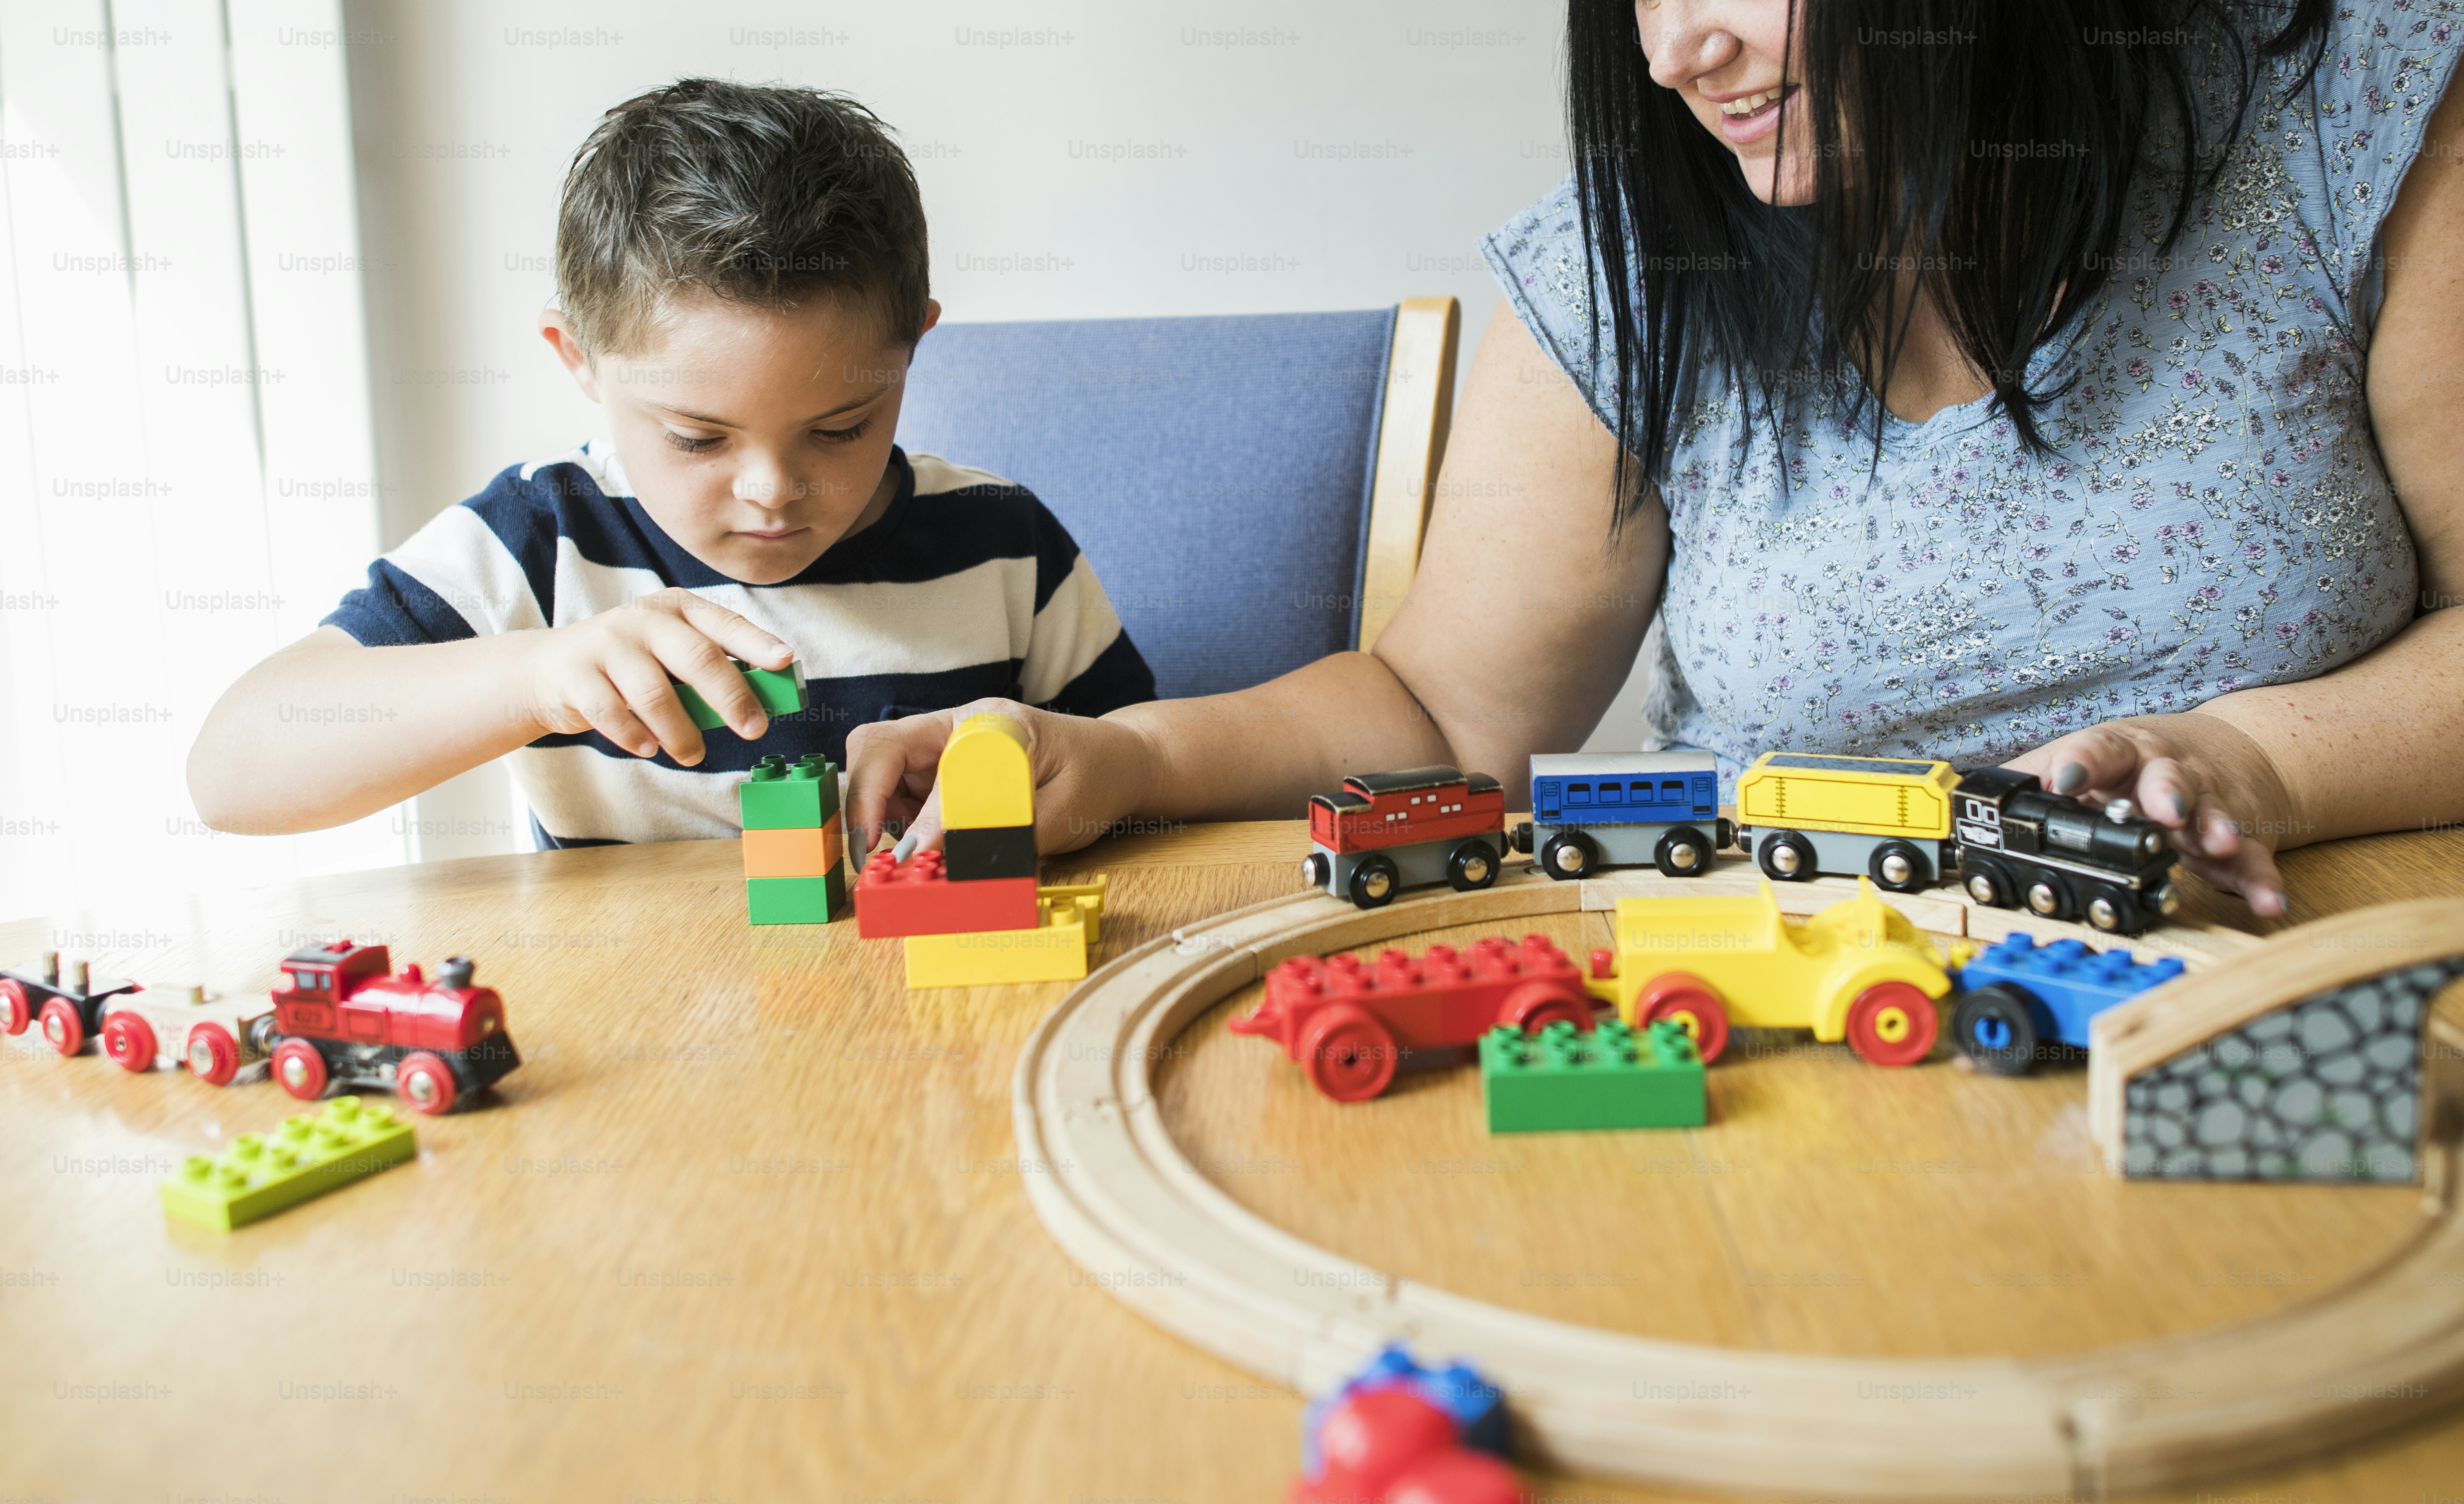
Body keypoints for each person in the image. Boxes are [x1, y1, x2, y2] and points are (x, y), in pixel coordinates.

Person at [847, 0, 2464, 919]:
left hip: (2292, 949)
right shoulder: (1626, 269)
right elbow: (1447, 713)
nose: (1674, 50)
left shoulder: (2354, 110)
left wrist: (2258, 761)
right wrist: (1119, 756)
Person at [188, 80, 1155, 846]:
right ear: (579, 361)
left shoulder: (1002, 540)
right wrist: (535, 677)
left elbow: (1148, 792)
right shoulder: (542, 541)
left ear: (910, 349)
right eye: (698, 437)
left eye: (841, 426)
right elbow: (233, 770)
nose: (774, 489)